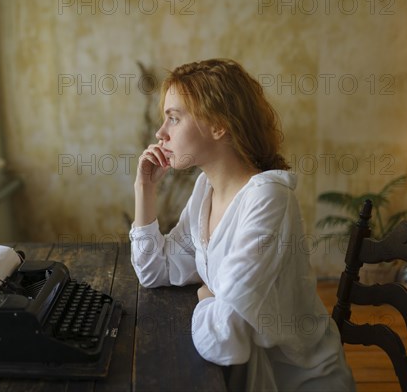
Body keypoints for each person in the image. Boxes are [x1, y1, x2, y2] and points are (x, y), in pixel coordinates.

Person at [129, 58, 355, 391]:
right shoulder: (205, 188)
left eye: (174, 118)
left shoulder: (268, 198)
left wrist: (207, 298)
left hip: (297, 381)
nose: (161, 133)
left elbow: (224, 335)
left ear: (219, 125)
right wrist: (144, 189)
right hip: (245, 377)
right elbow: (154, 270)